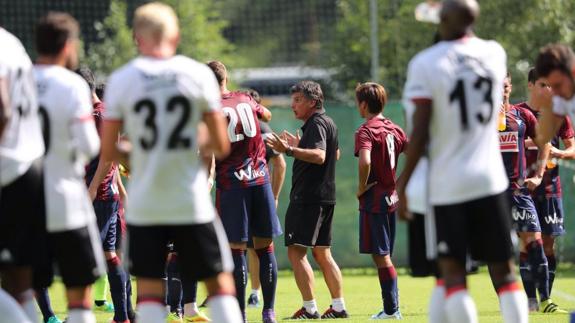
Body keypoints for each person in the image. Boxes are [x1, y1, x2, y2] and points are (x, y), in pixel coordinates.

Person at [100, 3, 241, 323]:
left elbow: (108, 150)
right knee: (219, 285)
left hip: (145, 203)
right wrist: (184, 142)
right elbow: (221, 145)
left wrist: (138, 153)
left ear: (137, 38)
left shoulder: (122, 80)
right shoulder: (197, 75)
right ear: (175, 36)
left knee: (149, 292)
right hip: (189, 199)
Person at [398, 1, 528, 322]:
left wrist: (402, 184)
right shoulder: (495, 53)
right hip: (491, 179)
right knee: (505, 270)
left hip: (448, 183)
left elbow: (420, 131)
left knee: (453, 274)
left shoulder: (425, 63)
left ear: (442, 18)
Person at [34, 12, 107, 323]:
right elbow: (90, 146)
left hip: (26, 197)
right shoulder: (72, 86)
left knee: (23, 284)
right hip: (66, 196)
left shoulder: (15, 80)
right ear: (67, 45)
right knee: (79, 290)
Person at [207, 61, 282, 323]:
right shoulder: (246, 98)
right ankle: (268, 311)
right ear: (226, 77)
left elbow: (211, 149)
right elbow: (268, 116)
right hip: (260, 180)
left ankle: (240, 315)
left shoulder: (209, 109)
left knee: (236, 249)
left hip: (232, 184)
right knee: (265, 248)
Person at [266, 80, 348, 319]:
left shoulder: (315, 123)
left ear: (313, 102)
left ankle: (310, 308)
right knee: (323, 253)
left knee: (296, 252)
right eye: (293, 100)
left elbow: (321, 156)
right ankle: (339, 306)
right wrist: (301, 145)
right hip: (326, 197)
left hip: (308, 198)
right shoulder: (328, 121)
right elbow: (336, 154)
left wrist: (290, 150)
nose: (293, 105)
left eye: (298, 100)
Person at [498, 74, 566, 313]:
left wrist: (537, 175)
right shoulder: (481, 119)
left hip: (518, 191)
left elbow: (544, 141)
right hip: (492, 195)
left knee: (535, 242)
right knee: (498, 251)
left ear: (510, 87)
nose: (501, 90)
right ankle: (511, 303)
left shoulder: (520, 115)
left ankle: (544, 300)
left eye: (504, 86)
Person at [77, 66, 132, 323]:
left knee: (86, 255)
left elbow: (109, 157)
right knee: (110, 255)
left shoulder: (100, 114)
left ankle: (80, 315)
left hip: (98, 196)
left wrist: (91, 188)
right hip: (105, 195)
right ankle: (122, 315)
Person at [0, 24, 45, 323]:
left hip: (7, 172)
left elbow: (2, 110)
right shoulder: (11, 42)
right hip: (29, 166)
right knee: (19, 284)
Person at [520, 68, 574, 312]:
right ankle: (532, 301)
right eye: (543, 85)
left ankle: (546, 298)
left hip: (551, 187)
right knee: (530, 243)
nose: (549, 90)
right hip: (524, 187)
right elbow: (511, 140)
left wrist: (559, 152)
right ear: (531, 85)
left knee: (549, 244)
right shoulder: (519, 113)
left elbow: (572, 148)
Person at [354, 82, 407, 319]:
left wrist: (362, 186)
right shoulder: (395, 129)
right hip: (391, 198)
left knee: (381, 255)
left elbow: (365, 161)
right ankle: (391, 308)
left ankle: (391, 310)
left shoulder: (366, 130)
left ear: (363, 104)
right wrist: (400, 182)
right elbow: (418, 151)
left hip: (375, 200)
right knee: (383, 255)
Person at [246, 89, 286, 308]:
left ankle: (256, 294)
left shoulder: (263, 130)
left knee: (257, 246)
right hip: (253, 193)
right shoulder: (253, 128)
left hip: (249, 193)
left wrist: (275, 196)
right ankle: (254, 293)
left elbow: (280, 163)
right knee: (252, 247)